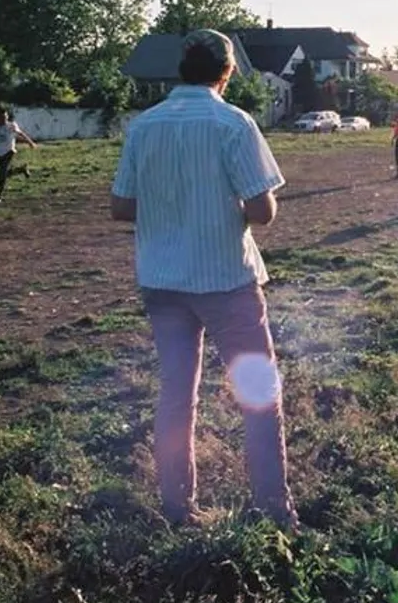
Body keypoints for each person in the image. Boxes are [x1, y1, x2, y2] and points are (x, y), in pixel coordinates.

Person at [109, 29, 298, 531]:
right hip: (225, 279)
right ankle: (274, 513)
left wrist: (171, 208)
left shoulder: (143, 126)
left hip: (162, 280)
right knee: (258, 394)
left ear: (181, 69)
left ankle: (178, 507)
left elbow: (121, 207)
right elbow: (262, 212)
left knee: (176, 393)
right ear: (227, 72)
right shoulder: (233, 123)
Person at [0, 109, 38, 203]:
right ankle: (21, 169)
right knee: (4, 173)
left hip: (9, 151)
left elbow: (21, 133)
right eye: (1, 117)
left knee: (2, 174)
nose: (4, 119)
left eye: (5, 117)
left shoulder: (11, 125)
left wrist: (30, 142)